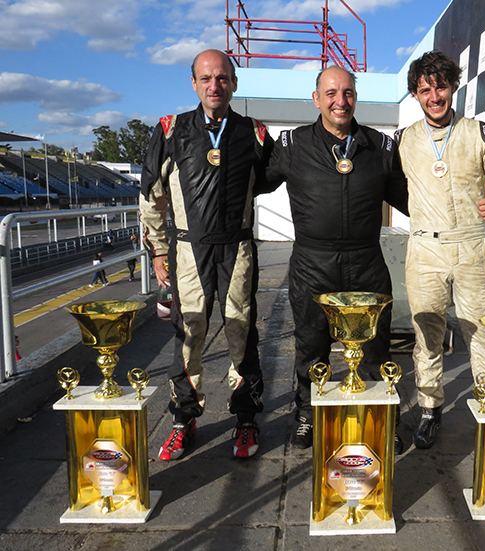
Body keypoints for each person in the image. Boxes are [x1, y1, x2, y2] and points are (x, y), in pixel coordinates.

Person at [261, 66, 409, 449]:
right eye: (330, 93)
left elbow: (409, 198)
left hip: (366, 261)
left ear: (356, 97)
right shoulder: (291, 145)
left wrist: (458, 197)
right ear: (316, 99)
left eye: (347, 93)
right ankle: (309, 412)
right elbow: (252, 182)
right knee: (311, 344)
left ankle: (382, 413)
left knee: (376, 345)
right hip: (313, 261)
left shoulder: (379, 147)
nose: (340, 101)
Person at [140, 49, 274, 460]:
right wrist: (159, 251)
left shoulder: (254, 132)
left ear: (234, 83)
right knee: (188, 333)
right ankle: (184, 419)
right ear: (194, 83)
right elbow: (150, 196)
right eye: (206, 78)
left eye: (222, 78)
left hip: (236, 246)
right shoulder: (170, 129)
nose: (214, 86)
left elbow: (270, 180)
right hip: (187, 248)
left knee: (241, 330)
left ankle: (246, 419)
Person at [396, 50, 485, 449]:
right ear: (416, 95)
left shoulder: (480, 133)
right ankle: (430, 407)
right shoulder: (404, 140)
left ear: (453, 87)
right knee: (427, 335)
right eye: (425, 90)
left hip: (470, 247)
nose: (435, 96)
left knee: (482, 334)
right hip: (424, 249)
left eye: (441, 87)